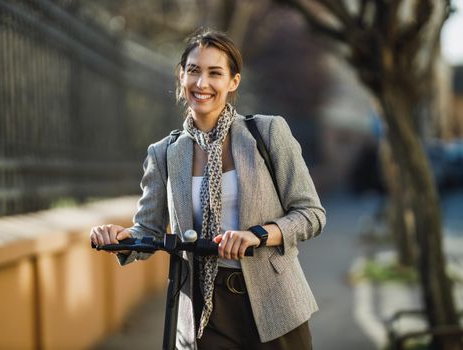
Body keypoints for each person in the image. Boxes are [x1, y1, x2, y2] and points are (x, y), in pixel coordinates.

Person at [90, 28, 326, 350]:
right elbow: (148, 229)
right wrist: (121, 239)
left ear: (233, 82)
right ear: (181, 77)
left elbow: (311, 214)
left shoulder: (267, 133)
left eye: (215, 73)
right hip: (204, 309)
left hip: (275, 303)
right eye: (194, 71)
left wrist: (257, 234)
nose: (202, 84)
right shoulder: (164, 153)